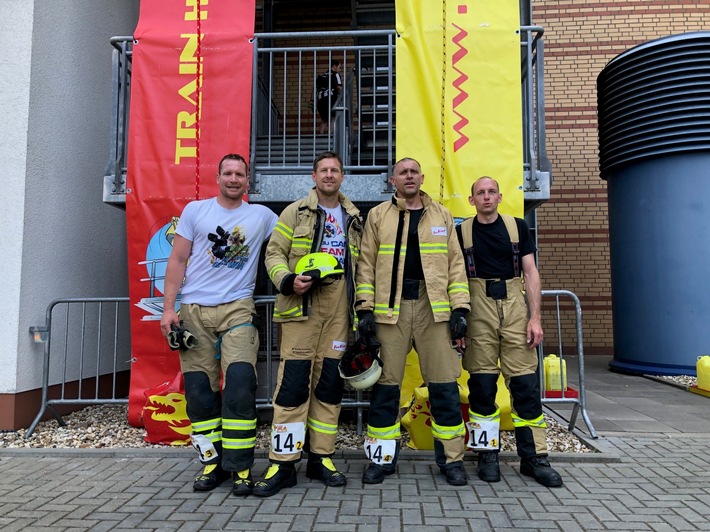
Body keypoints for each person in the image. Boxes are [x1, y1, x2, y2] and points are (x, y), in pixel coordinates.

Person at [160, 153, 278, 496]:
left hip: (238, 310)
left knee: (240, 387)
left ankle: (241, 468)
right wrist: (168, 310)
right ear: (218, 177)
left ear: (247, 181)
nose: (234, 178)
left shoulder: (263, 216)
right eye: (228, 173)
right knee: (198, 393)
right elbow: (178, 259)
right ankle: (213, 464)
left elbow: (288, 241)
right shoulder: (196, 211)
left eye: (240, 174)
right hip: (194, 311)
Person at [355, 157, 471, 486]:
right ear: (393, 180)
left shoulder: (442, 215)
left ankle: (452, 460)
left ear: (422, 177)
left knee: (445, 386)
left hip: (433, 306)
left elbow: (455, 265)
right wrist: (364, 308)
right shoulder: (378, 216)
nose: (409, 176)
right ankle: (381, 459)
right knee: (385, 388)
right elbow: (365, 265)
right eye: (402, 172)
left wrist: (460, 308)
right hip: (390, 309)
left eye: (414, 171)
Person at [254, 151, 363, 497]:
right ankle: (283, 464)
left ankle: (321, 457)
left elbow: (363, 265)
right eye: (323, 170)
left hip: (340, 306)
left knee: (329, 385)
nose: (329, 175)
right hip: (303, 304)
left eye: (335, 170)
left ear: (342, 177)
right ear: (313, 177)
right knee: (293, 385)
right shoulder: (293, 211)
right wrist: (287, 280)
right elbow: (273, 253)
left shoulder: (354, 217)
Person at [457, 176, 563, 488]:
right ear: (471, 199)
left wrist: (536, 319)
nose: (486, 197)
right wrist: (459, 321)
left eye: (491, 192)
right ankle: (487, 454)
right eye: (480, 193)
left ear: (500, 197)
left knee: (525, 385)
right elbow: (455, 276)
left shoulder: (518, 227)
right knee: (482, 385)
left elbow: (531, 273)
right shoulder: (461, 231)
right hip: (478, 310)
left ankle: (534, 459)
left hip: (515, 309)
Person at [315, 60, 343, 134]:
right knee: (332, 118)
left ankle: (320, 137)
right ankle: (330, 136)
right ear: (334, 67)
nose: (340, 70)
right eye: (340, 67)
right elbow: (339, 88)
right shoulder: (335, 74)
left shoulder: (321, 76)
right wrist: (343, 96)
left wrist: (312, 101)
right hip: (330, 99)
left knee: (324, 120)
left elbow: (314, 89)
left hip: (320, 101)